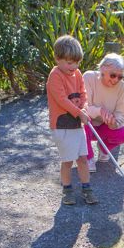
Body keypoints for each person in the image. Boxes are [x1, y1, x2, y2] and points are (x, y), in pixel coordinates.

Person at [46, 35, 98, 205]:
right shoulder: (55, 76)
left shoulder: (77, 73)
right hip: (62, 126)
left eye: (76, 62)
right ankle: (67, 190)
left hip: (77, 124)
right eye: (69, 63)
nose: (73, 66)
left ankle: (87, 188)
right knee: (68, 160)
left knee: (83, 158)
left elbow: (83, 94)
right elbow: (61, 99)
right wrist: (79, 112)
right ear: (57, 59)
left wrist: (84, 108)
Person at [82, 53, 124, 173]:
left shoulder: (121, 86)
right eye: (113, 75)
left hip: (104, 126)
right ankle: (88, 157)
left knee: (123, 134)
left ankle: (104, 149)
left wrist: (114, 123)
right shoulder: (89, 77)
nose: (116, 80)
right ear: (103, 69)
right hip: (88, 124)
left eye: (120, 77)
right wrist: (99, 111)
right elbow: (83, 106)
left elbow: (121, 112)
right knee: (83, 124)